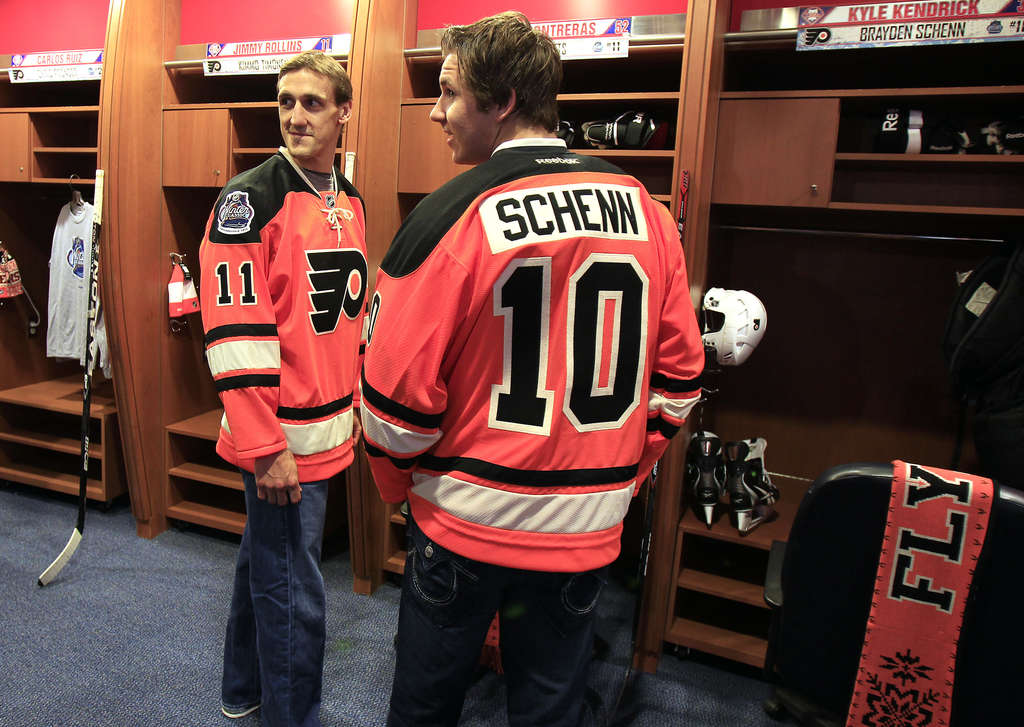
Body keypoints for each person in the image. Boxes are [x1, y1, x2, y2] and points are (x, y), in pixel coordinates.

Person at [359, 12, 705, 727]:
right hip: (585, 526)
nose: (436, 112)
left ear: (504, 100)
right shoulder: (647, 209)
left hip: (465, 523)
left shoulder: (449, 213)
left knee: (425, 706)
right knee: (552, 707)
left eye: (450, 92)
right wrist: (620, 475)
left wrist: (400, 488)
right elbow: (680, 379)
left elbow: (391, 407)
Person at [198, 50, 367, 727]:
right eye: (286, 101)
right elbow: (235, 334)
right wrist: (265, 445)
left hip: (328, 424)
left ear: (343, 111)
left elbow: (344, 322)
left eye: (313, 102)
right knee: (293, 587)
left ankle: (242, 686)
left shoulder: (348, 199)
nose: (296, 115)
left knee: (266, 560)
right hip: (281, 436)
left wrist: (356, 407)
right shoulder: (250, 198)